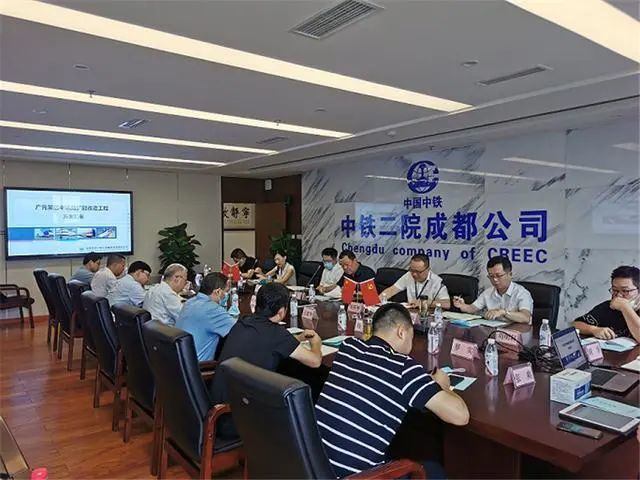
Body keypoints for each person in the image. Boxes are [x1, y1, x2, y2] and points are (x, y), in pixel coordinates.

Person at [315, 303, 469, 478]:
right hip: (355, 476)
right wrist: (443, 385)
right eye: (411, 337)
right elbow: (460, 416)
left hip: (312, 465)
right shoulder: (403, 367)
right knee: (434, 470)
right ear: (402, 332)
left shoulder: (348, 347)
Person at [211, 282, 322, 406]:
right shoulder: (276, 333)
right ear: (281, 311)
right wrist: (316, 343)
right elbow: (315, 361)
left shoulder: (243, 321)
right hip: (243, 409)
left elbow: (271, 342)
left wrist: (299, 338)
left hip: (220, 401)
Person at [453, 256, 533, 324]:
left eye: (499, 276)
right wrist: (462, 305)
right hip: (494, 331)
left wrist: (504, 312)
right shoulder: (488, 292)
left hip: (517, 333)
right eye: (491, 276)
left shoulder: (522, 293)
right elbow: (472, 308)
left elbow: (526, 317)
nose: (495, 280)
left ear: (510, 274)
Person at [176, 272, 235, 361]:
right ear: (218, 291)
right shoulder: (213, 310)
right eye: (226, 291)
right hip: (200, 366)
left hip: (179, 361)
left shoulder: (189, 302)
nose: (226, 295)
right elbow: (238, 330)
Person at [573, 266, 640, 342]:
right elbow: (575, 325)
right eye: (615, 290)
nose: (618, 295)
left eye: (625, 291)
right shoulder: (607, 307)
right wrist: (593, 329)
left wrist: (625, 308)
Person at [381, 254, 450, 308]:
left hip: (428, 314)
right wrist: (377, 301)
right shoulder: (408, 275)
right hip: (411, 313)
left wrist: (425, 302)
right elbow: (392, 290)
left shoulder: (436, 281)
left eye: (418, 272)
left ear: (428, 269)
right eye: (412, 270)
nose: (414, 274)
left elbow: (447, 304)